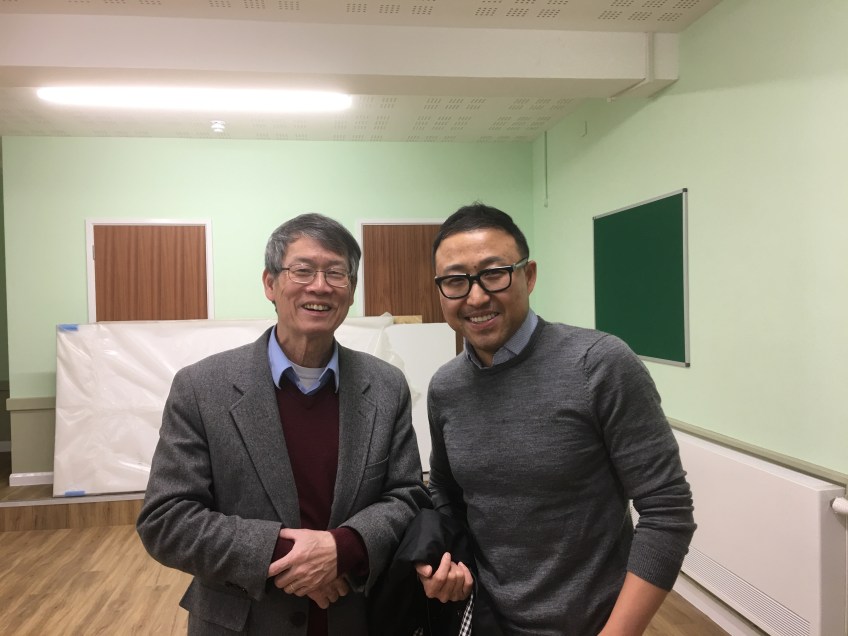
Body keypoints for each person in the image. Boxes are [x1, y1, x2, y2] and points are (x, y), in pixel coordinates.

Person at [137, 213, 430, 635]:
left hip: (354, 619)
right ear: (270, 284)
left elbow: (406, 495)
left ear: (350, 291)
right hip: (242, 622)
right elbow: (167, 519)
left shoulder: (385, 387)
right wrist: (286, 553)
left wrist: (343, 549)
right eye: (302, 270)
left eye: (336, 273)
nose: (320, 286)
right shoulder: (202, 388)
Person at [416, 203, 696, 635]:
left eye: (494, 273)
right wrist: (446, 561)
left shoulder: (600, 365)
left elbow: (667, 511)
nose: (475, 297)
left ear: (528, 276)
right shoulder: (445, 387)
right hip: (487, 619)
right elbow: (446, 492)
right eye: (455, 281)